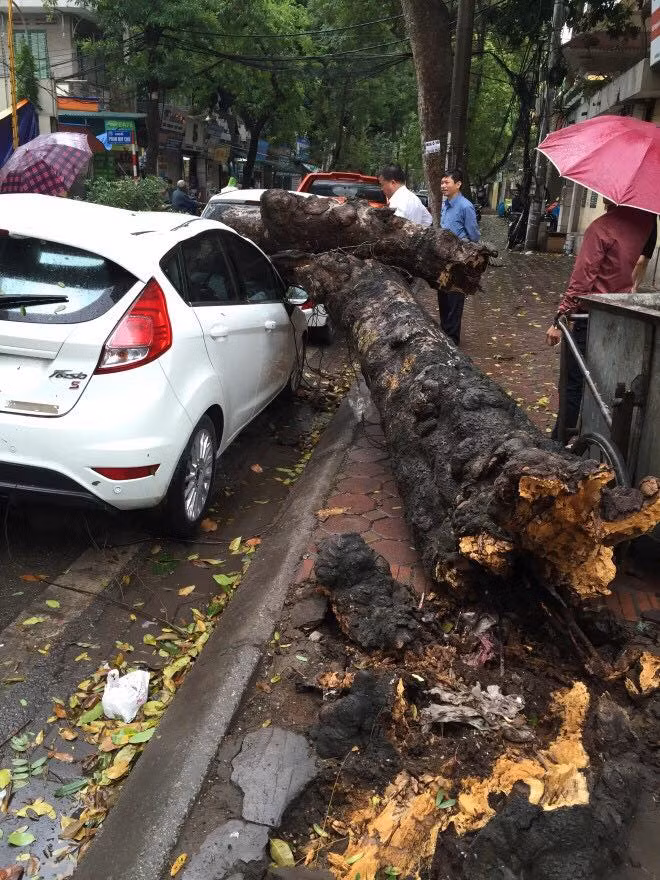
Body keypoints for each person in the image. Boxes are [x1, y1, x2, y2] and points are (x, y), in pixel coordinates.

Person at [545, 201, 654, 440]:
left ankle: (560, 440)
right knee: (608, 380)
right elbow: (640, 264)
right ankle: (598, 435)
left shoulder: (602, 228)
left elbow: (582, 281)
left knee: (574, 382)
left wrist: (560, 316)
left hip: (590, 317)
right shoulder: (645, 224)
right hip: (621, 313)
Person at [439, 168, 480, 345]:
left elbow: (474, 235)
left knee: (455, 298)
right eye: (442, 182)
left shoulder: (465, 206)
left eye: (447, 182)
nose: (443, 186)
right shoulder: (445, 205)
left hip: (459, 259)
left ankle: (452, 339)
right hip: (443, 259)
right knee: (442, 296)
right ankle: (444, 333)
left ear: (458, 184)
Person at [631, 216, 657, 292]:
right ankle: (630, 285)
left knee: (645, 263)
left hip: (652, 231)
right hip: (640, 229)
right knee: (639, 262)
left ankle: (635, 287)